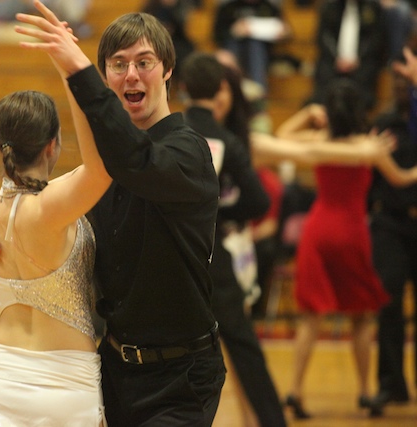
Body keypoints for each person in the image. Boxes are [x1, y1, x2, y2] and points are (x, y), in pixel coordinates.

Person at [0, 2, 225, 425]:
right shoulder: (97, 173)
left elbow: (134, 160)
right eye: (118, 65)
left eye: (144, 62)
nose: (132, 74)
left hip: (181, 376)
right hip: (113, 371)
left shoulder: (186, 151)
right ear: (106, 78)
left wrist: (75, 70)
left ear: (168, 70)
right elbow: (19, 203)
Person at [0, 86, 111, 424]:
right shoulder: (52, 209)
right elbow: (101, 166)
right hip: (64, 391)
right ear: (52, 145)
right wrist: (73, 80)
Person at [274, 79, 417, 419]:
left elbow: (282, 136)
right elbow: (399, 178)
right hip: (352, 232)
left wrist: (308, 113)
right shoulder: (368, 147)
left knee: (310, 317)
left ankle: (295, 389)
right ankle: (366, 393)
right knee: (362, 316)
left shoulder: (321, 141)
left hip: (318, 230)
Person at [180, 51, 288, 427]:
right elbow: (258, 200)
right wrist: (220, 211)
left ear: (182, 88)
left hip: (174, 256)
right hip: (217, 260)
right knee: (245, 349)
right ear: (222, 90)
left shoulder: (170, 131)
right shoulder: (227, 139)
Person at [369, 44, 417, 416]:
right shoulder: (384, 123)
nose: (402, 85)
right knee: (388, 304)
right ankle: (390, 385)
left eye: (408, 80)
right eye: (398, 81)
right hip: (390, 223)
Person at [307, 0, 387, 111]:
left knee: (365, 85)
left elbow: (376, 39)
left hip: (361, 63)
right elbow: (323, 37)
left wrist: (358, 58)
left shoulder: (372, 7)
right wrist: (336, 58)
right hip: (333, 62)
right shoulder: (329, 7)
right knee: (322, 82)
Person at [213, 0, 291, 91]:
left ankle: (257, 91)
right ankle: (237, 89)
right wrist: (234, 30)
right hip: (234, 50)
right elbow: (217, 34)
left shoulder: (268, 7)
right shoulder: (229, 8)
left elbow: (286, 31)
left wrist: (285, 32)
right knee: (232, 48)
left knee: (255, 45)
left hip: (262, 53)